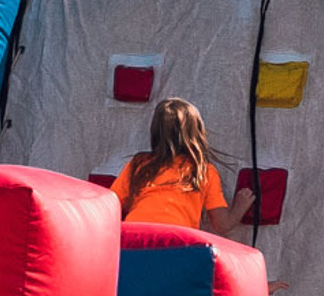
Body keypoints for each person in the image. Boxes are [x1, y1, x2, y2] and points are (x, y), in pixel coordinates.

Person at [110, 96, 258, 239]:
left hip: (134, 234)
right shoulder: (203, 171)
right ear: (197, 133)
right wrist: (240, 206)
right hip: (176, 239)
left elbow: (110, 204)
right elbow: (222, 225)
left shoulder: (139, 164)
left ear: (155, 131)